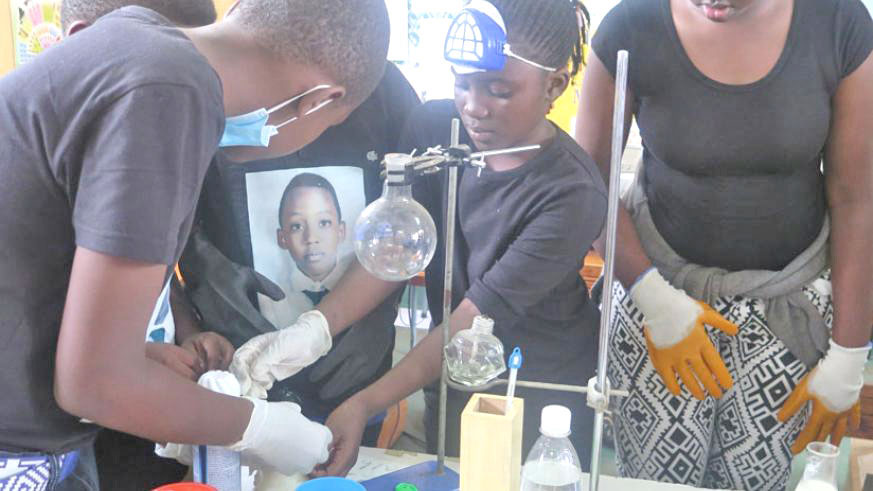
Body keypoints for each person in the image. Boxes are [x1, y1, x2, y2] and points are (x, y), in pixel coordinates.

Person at [0, 0, 390, 488]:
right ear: (318, 101)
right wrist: (261, 428)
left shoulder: (134, 42)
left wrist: (140, 356)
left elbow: (32, 274)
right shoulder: (171, 89)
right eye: (327, 126)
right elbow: (93, 383)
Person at [576, 0, 873, 488]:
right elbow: (589, 184)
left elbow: (856, 197)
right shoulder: (631, 26)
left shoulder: (838, 22)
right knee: (656, 483)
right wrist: (656, 301)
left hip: (782, 314)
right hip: (655, 299)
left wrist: (849, 354)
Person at [315, 0, 605, 477]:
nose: (473, 106)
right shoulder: (435, 128)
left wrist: (364, 403)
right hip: (452, 371)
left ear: (554, 85)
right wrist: (311, 330)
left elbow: (475, 316)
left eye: (499, 90)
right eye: (462, 83)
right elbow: (396, 254)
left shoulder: (573, 191)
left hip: (539, 385)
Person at [175, 59, 421, 453]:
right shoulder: (207, 88)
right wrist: (189, 328)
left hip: (352, 379)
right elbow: (146, 242)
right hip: (237, 382)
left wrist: (340, 325)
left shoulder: (382, 89)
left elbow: (410, 229)